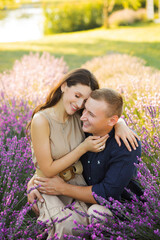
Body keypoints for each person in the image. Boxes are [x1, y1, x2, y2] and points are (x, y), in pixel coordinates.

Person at [27, 71, 139, 238]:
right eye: (77, 96)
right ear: (64, 85)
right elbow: (47, 167)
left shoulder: (80, 117)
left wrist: (120, 123)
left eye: (84, 102)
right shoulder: (53, 119)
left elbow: (104, 112)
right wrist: (33, 182)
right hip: (51, 184)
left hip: (81, 188)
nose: (80, 106)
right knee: (67, 226)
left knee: (87, 221)